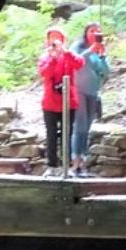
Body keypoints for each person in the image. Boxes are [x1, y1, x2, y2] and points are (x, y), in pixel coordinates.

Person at [37, 27, 85, 176]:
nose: (55, 41)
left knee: (67, 135)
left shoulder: (69, 55)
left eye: (58, 38)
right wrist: (52, 58)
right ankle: (51, 166)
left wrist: (65, 52)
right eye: (52, 38)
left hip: (68, 102)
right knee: (51, 135)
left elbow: (79, 63)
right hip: (50, 103)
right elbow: (44, 73)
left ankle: (66, 167)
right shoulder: (45, 57)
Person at [69, 23, 110, 177]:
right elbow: (72, 60)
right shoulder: (78, 46)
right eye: (92, 30)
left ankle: (82, 164)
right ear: (86, 33)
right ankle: (75, 163)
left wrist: (102, 56)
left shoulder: (98, 50)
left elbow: (106, 72)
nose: (95, 33)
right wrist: (89, 50)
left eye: (98, 31)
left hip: (93, 93)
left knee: (87, 128)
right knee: (79, 127)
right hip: (78, 91)